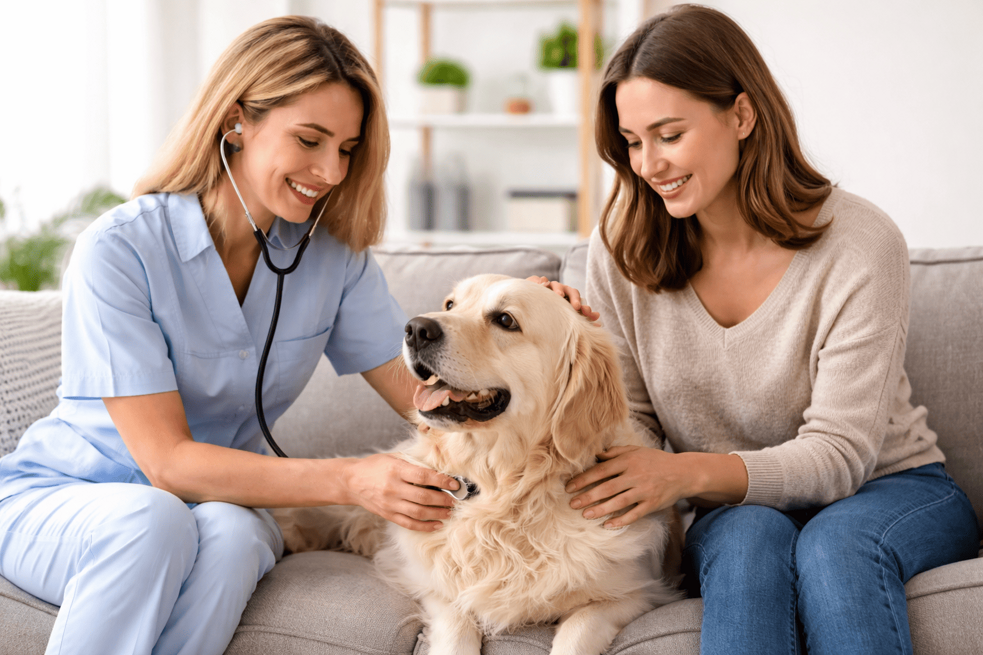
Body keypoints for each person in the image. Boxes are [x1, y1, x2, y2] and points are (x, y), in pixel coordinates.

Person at [0, 16, 591, 655]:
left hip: (217, 507)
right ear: (236, 121)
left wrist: (536, 329)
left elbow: (427, 394)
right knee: (153, 517)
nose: (331, 171)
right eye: (309, 140)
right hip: (73, 500)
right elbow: (166, 465)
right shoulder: (119, 250)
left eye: (346, 148)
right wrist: (351, 480)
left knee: (231, 536)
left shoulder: (330, 257)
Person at [562, 5, 979, 654]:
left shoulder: (857, 242)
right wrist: (554, 340)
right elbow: (631, 422)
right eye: (632, 141)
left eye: (668, 134)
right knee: (750, 540)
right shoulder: (619, 247)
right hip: (730, 508)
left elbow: (841, 453)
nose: (647, 164)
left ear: (741, 116)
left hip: (888, 488)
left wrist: (680, 473)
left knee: (835, 544)